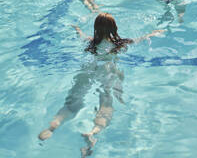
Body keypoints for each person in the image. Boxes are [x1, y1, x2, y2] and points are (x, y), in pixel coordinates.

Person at [38, 13, 164, 157]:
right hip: (106, 70)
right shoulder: (120, 44)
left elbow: (81, 35)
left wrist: (77, 28)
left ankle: (53, 126)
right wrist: (153, 33)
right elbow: (140, 40)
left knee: (72, 103)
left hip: (88, 68)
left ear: (95, 28)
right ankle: (92, 133)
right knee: (106, 102)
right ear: (114, 28)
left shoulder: (91, 42)